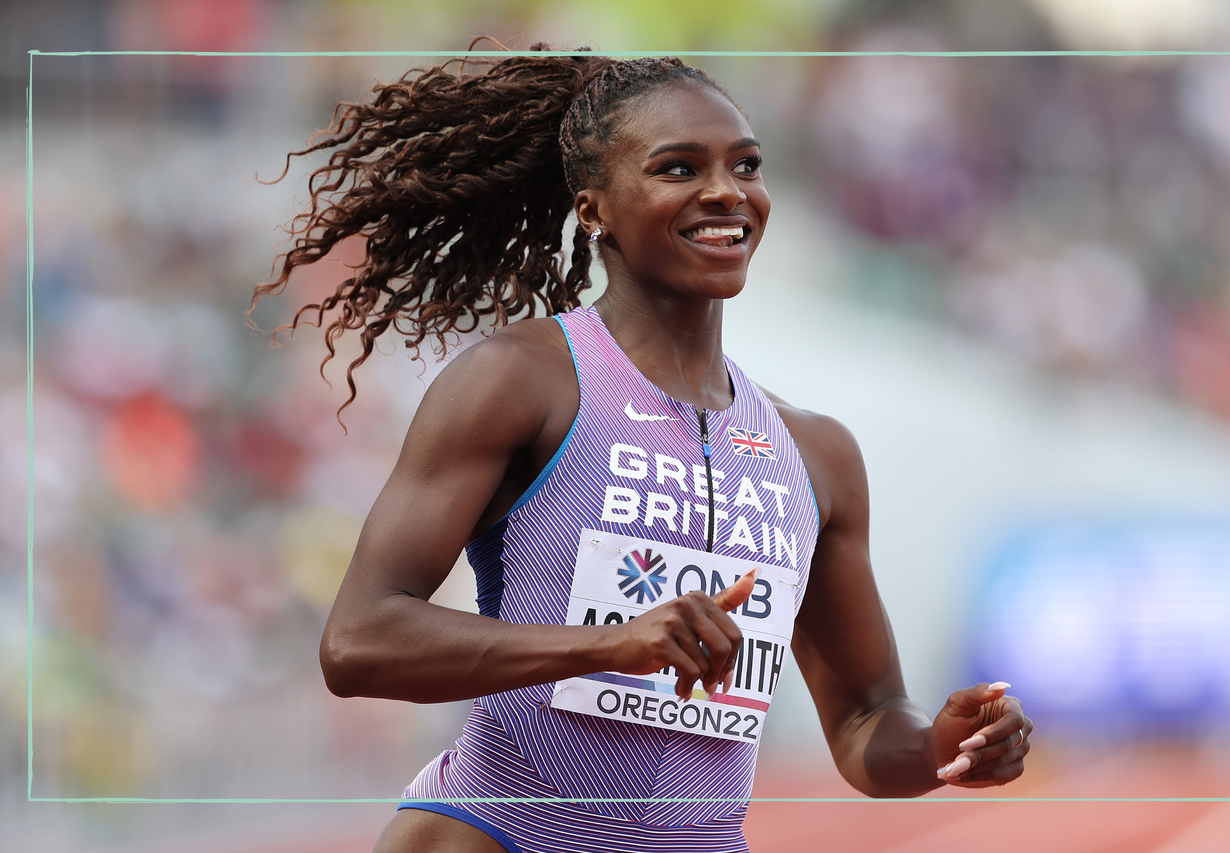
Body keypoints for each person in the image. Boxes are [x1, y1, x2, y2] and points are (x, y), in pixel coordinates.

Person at [253, 45, 1032, 853]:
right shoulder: (518, 382)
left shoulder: (818, 455)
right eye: (678, 168)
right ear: (592, 209)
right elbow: (358, 643)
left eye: (747, 164)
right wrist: (612, 643)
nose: (727, 191)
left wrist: (945, 746)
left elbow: (868, 721)